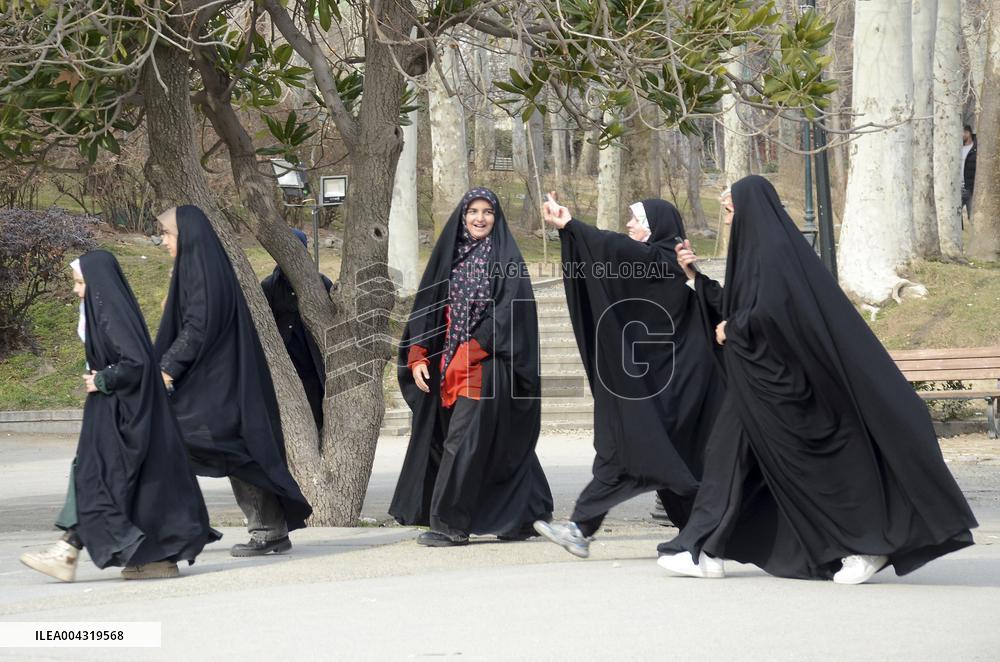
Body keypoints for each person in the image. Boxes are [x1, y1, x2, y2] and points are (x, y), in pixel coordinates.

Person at [657, 175, 977, 584]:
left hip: (788, 388)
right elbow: (746, 305)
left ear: (749, 208)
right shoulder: (760, 251)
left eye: (729, 209)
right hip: (758, 383)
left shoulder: (773, 251)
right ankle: (704, 549)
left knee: (818, 470)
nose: (726, 219)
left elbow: (774, 311)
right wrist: (696, 279)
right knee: (728, 461)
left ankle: (868, 544)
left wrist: (733, 331)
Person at [533, 194, 724, 558]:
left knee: (638, 457)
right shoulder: (664, 263)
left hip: (671, 394)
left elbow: (616, 249)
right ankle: (703, 536)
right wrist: (570, 233)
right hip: (657, 391)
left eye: (637, 220)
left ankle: (583, 528)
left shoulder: (663, 261)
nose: (630, 225)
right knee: (664, 465)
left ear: (655, 226)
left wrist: (571, 226)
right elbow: (614, 259)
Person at [20, 251, 219, 582]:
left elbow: (136, 362)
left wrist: (102, 379)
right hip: (114, 408)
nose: (76, 291)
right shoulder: (102, 310)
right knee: (115, 481)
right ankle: (136, 557)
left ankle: (67, 551)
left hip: (121, 410)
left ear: (98, 284)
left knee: (96, 476)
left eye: (81, 283)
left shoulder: (109, 310)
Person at [389, 187, 554, 546]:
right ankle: (524, 515)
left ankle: (450, 524)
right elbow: (428, 304)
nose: (480, 218)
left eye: (488, 212)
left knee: (461, 441)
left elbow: (510, 311)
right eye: (473, 211)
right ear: (462, 216)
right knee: (494, 442)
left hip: (488, 367)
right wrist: (418, 353)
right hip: (447, 364)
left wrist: (472, 350)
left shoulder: (506, 259)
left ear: (497, 217)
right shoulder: (450, 255)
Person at [155, 205, 312, 557]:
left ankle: (254, 530)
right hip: (215, 379)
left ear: (187, 236)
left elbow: (197, 328)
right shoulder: (198, 268)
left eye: (167, 234)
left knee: (221, 448)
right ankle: (263, 530)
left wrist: (166, 369)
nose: (163, 241)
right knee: (234, 451)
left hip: (219, 383)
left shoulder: (202, 271)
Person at [261, 228, 332, 429]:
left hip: (312, 368)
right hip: (284, 368)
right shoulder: (269, 286)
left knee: (316, 420)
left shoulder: (321, 283)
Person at [962, 125, 977, 224]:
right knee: (954, 216)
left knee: (972, 219)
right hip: (957, 188)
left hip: (970, 189)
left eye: (962, 132)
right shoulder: (958, 147)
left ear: (968, 133)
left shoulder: (977, 148)